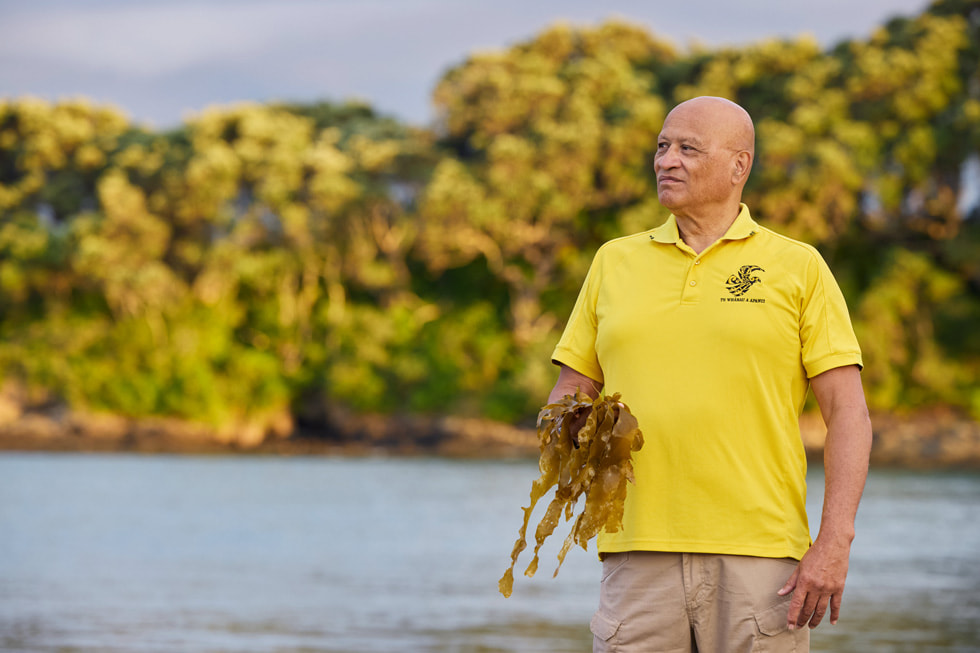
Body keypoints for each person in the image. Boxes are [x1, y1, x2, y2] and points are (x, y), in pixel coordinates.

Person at [548, 96, 873, 652]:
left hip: (763, 559)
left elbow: (849, 413)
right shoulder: (613, 261)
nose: (666, 161)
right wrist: (565, 435)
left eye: (687, 149)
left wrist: (833, 543)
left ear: (738, 167)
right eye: (661, 147)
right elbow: (571, 389)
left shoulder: (799, 266)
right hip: (636, 551)